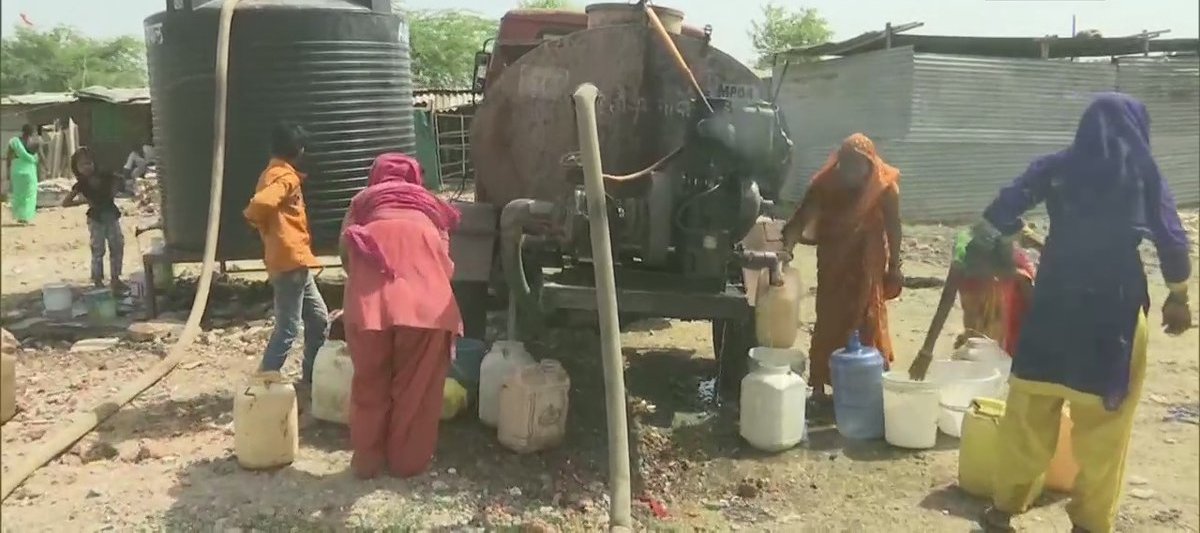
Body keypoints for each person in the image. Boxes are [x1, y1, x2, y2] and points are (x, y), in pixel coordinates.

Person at [976, 93, 1192, 533]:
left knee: (1029, 410)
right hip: (1113, 311)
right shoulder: (1144, 175)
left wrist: (1004, 239)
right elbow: (1171, 240)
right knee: (1105, 428)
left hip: (1054, 302)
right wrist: (1178, 296)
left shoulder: (1058, 166)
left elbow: (999, 211)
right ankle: (1090, 523)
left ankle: (1003, 509)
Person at [338, 152, 462, 479]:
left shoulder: (362, 202)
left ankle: (367, 462)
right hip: (427, 307)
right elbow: (445, 263)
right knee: (416, 389)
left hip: (369, 304)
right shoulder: (432, 206)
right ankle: (407, 463)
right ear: (414, 177)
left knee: (369, 382)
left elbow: (345, 254)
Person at [781, 133, 903, 402]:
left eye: (857, 165)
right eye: (845, 164)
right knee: (829, 317)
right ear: (838, 163)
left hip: (866, 262)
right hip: (834, 259)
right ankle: (819, 386)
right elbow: (800, 220)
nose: (850, 171)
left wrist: (895, 264)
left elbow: (894, 226)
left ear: (870, 165)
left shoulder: (883, 186)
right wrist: (784, 251)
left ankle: (869, 383)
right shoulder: (825, 184)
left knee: (867, 317)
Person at [243, 122, 330, 407]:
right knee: (288, 329)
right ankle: (263, 385)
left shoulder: (271, 172)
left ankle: (311, 379)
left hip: (294, 260)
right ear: (299, 150)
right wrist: (255, 216)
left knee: (318, 319)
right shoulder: (284, 178)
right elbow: (260, 204)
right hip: (289, 262)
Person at [908, 224, 1041, 379]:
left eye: (993, 276)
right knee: (977, 338)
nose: (988, 280)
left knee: (1014, 344)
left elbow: (1039, 314)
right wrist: (926, 351)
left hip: (1014, 301)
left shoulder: (1018, 272)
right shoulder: (962, 254)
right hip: (979, 285)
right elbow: (947, 298)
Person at [61, 147, 128, 292]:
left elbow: (120, 182)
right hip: (96, 218)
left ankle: (115, 279)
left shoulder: (105, 176)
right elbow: (65, 202)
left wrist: (114, 189)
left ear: (94, 163)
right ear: (76, 168)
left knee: (117, 246)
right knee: (98, 250)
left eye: (89, 163)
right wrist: (85, 201)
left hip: (110, 214)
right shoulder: (81, 185)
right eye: (82, 164)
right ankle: (98, 280)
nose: (87, 167)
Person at [7, 124, 40, 224]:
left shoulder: (14, 142)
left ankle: (20, 217)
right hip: (29, 171)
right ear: (33, 133)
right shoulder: (35, 143)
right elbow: (38, 157)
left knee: (18, 195)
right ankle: (26, 217)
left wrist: (7, 172)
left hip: (17, 171)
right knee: (29, 195)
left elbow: (9, 157)